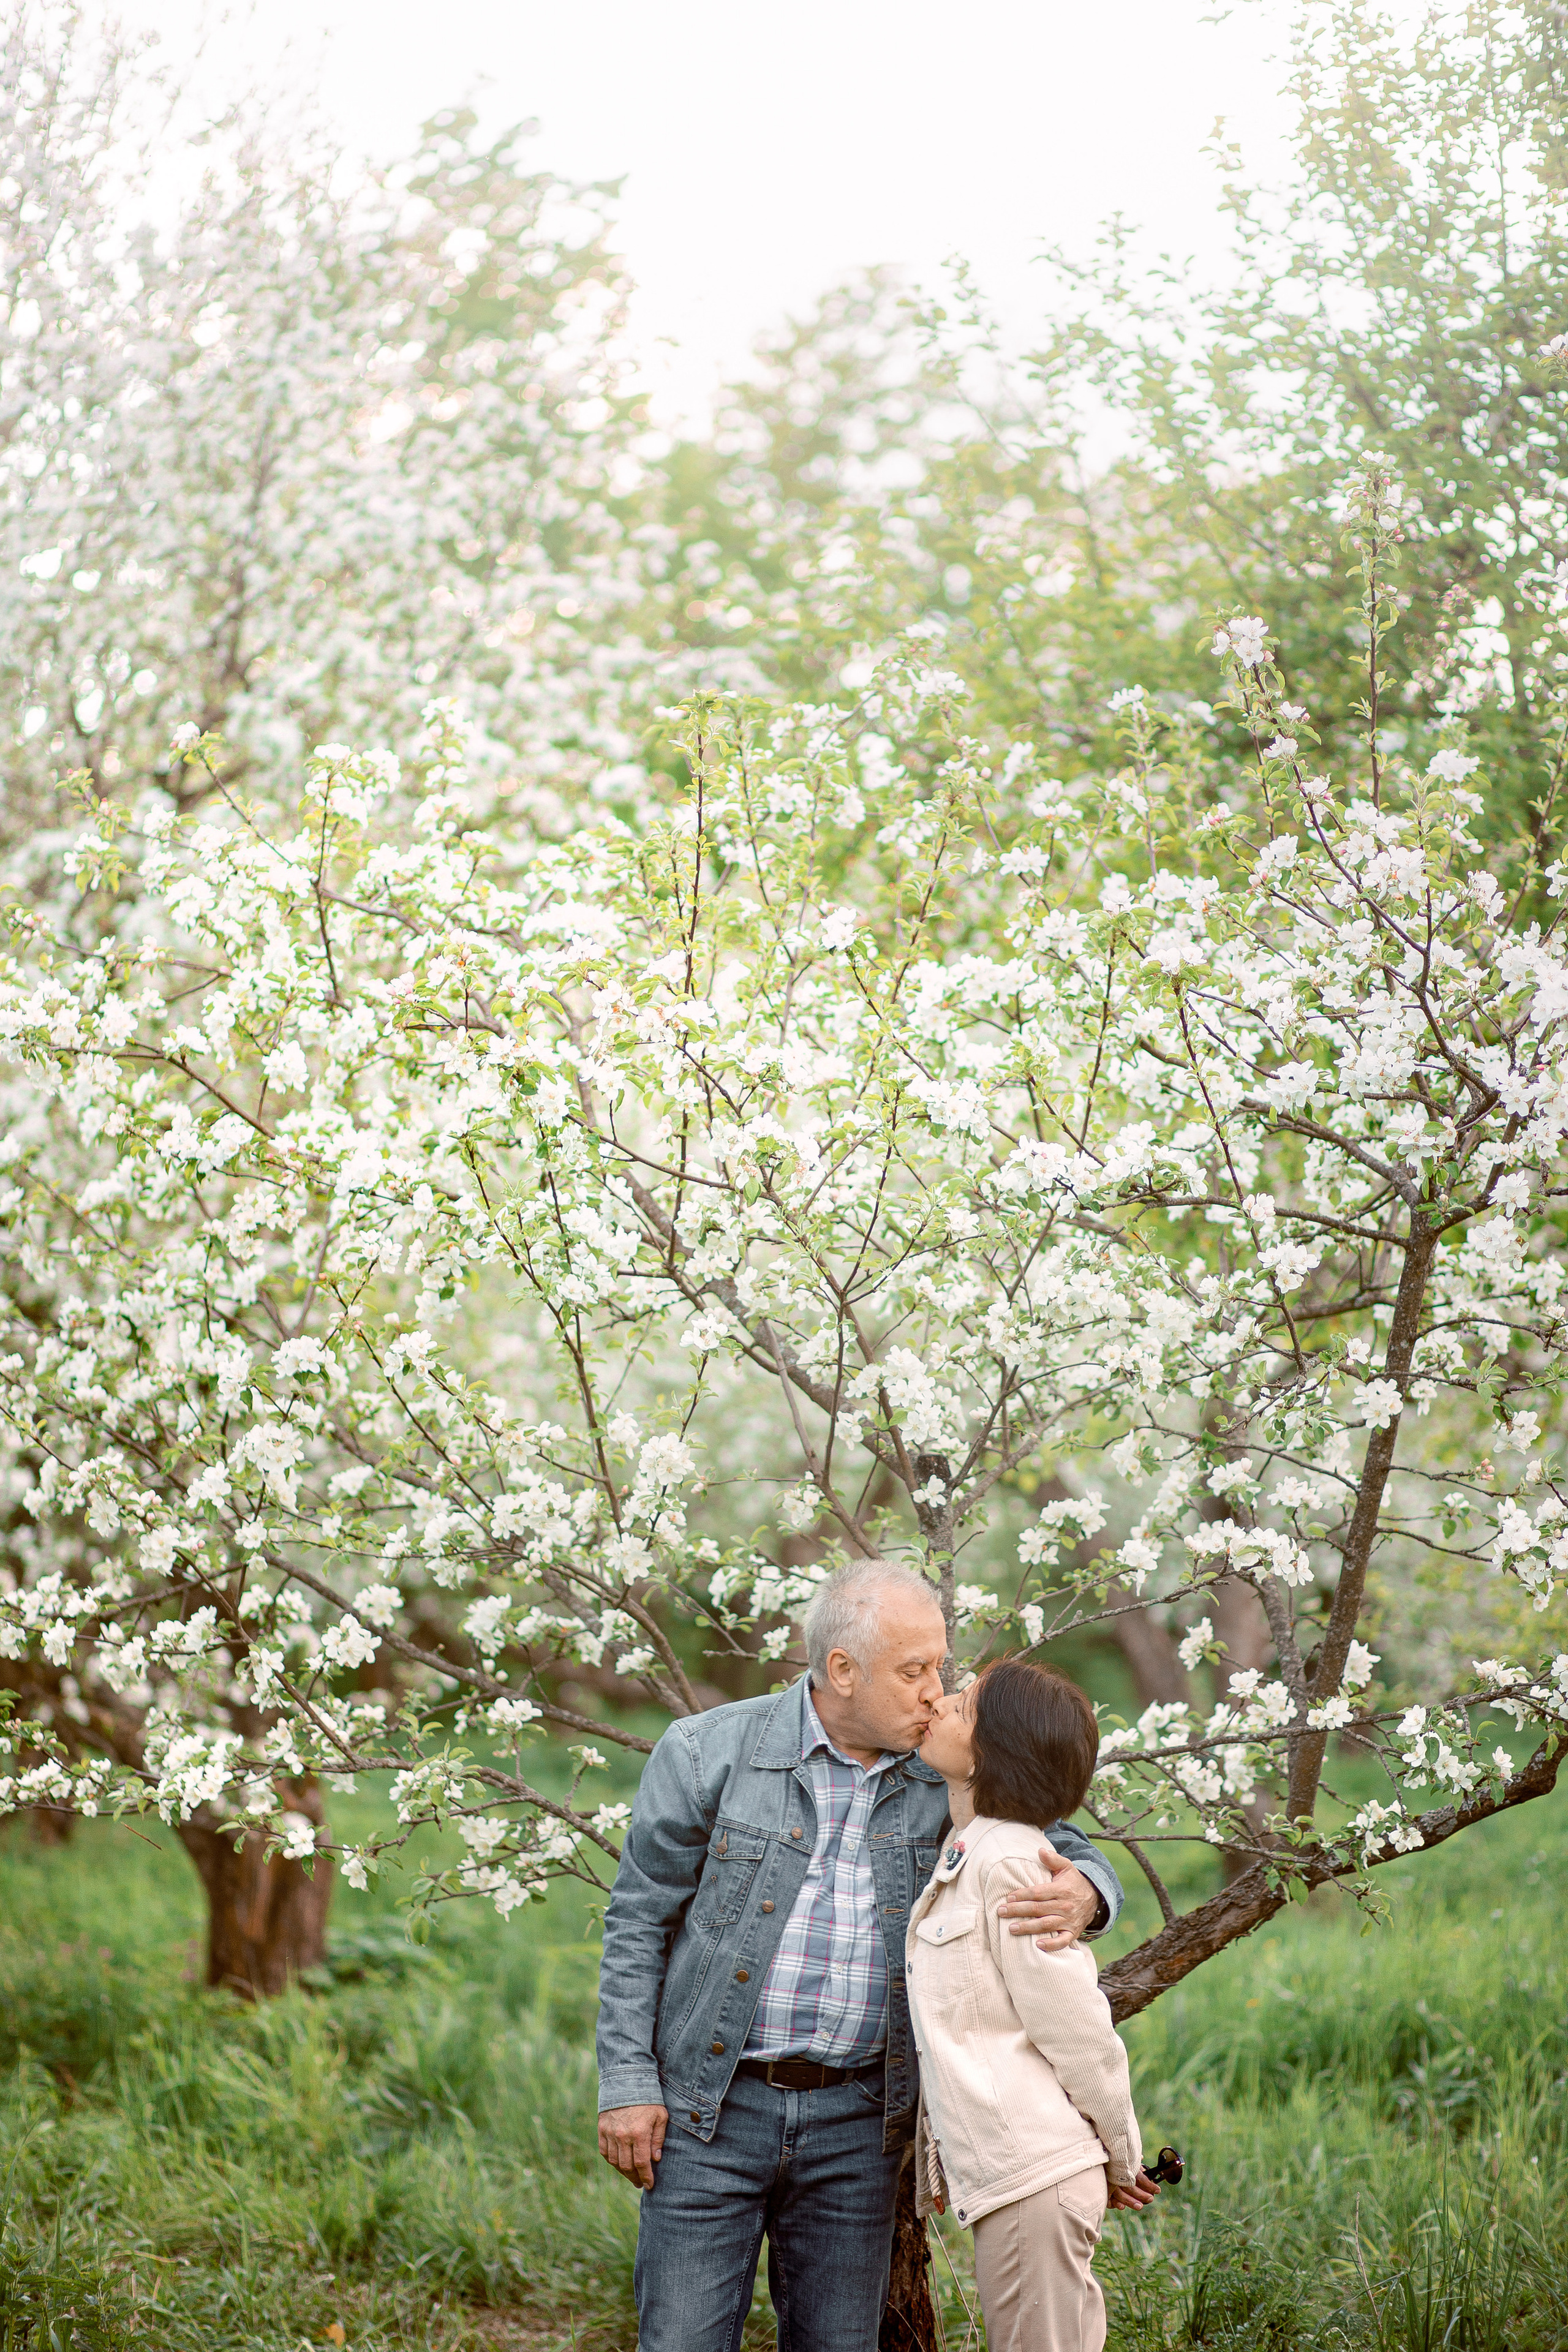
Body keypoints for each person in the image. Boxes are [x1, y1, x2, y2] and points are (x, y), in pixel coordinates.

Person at [595, 1559, 1126, 2352]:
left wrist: (1089, 1890)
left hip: (860, 2124)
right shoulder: (711, 1753)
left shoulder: (949, 1767)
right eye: (913, 1671)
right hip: (711, 2111)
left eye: (940, 1668)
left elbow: (1058, 1840)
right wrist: (629, 2083)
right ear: (841, 1670)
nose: (934, 1692)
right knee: (679, 2340)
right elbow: (637, 1921)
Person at [910, 1659, 1162, 2352]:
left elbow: (1078, 2030)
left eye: (960, 1707)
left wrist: (1121, 2155)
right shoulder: (974, 1848)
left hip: (1036, 2179)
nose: (938, 1702)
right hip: (1021, 2178)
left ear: (993, 1752)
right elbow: (970, 2032)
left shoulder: (1015, 1864)